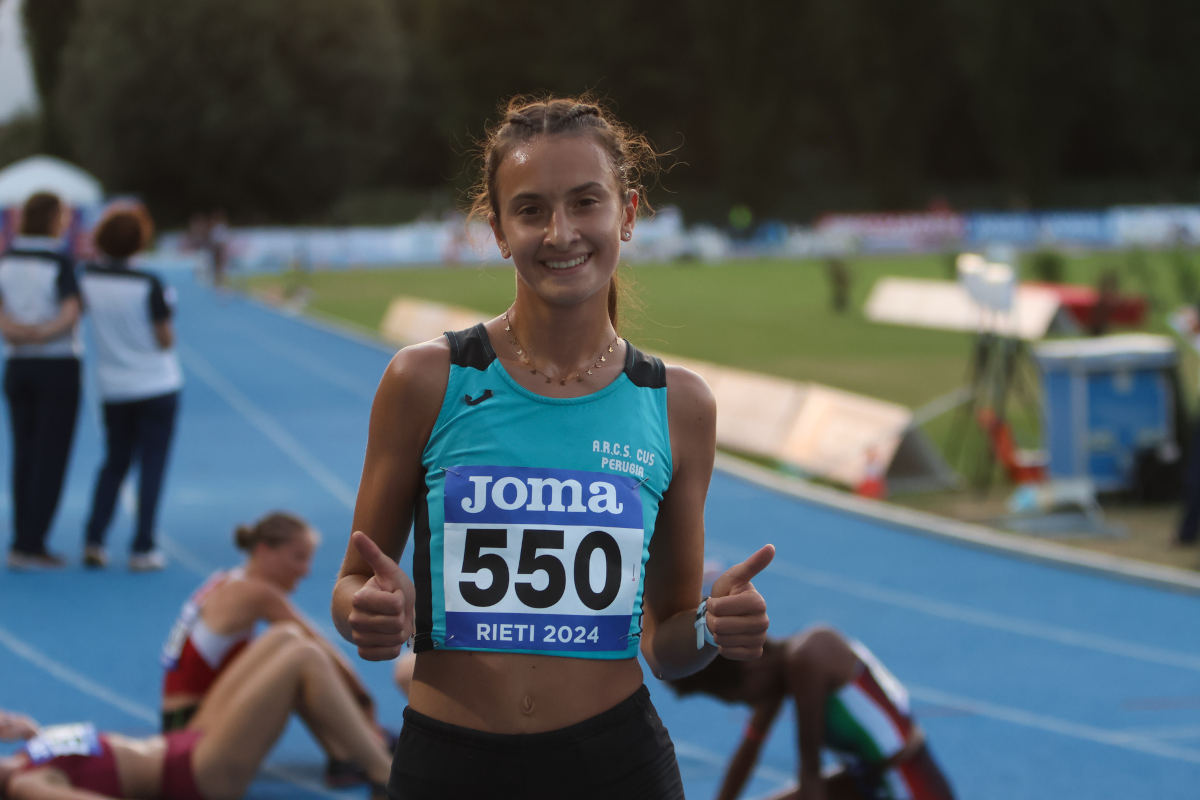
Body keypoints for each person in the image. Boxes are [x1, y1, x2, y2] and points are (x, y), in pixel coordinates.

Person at [331, 94, 775, 800]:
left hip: (615, 767)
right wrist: (366, 614)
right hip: (449, 766)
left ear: (627, 214)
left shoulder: (678, 405)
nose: (561, 232)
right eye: (532, 209)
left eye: (585, 203)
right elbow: (351, 584)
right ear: (499, 230)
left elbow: (668, 646)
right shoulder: (424, 379)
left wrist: (715, 628)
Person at [0, 623, 392, 800]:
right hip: (196, 774)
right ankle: (386, 775)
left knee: (283, 638)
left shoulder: (23, 757)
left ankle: (347, 756)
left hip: (180, 745)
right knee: (302, 659)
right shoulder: (28, 786)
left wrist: (29, 731)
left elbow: (74, 754)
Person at [161, 510, 385, 787]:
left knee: (287, 650)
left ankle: (344, 751)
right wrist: (362, 697)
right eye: (298, 557)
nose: (306, 570)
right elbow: (318, 643)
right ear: (265, 550)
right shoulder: (257, 593)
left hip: (179, 721)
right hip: (193, 729)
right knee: (299, 655)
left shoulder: (227, 579)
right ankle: (361, 756)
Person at [665, 625, 955, 800]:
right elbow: (748, 751)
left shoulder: (807, 658)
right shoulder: (776, 676)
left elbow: (810, 766)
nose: (751, 705)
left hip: (909, 784)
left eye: (742, 699)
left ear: (752, 669)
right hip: (866, 781)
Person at [79, 201, 183, 571]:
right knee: (152, 466)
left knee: (114, 463)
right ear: (140, 243)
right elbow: (165, 339)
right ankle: (143, 546)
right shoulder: (150, 283)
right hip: (156, 384)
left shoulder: (87, 278)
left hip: (114, 386)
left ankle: (94, 537)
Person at [0, 191, 83, 569]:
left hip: (18, 364)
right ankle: (34, 543)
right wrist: (45, 332)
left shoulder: (7, 260)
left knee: (23, 452)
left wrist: (18, 333)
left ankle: (21, 538)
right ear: (53, 219)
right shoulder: (59, 260)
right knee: (51, 456)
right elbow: (71, 311)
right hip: (57, 363)